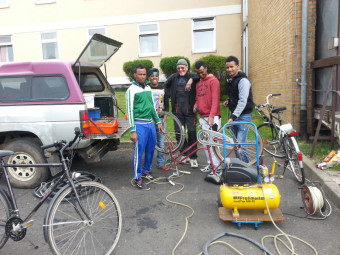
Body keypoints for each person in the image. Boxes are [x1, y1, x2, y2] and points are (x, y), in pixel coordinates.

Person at [126, 64, 163, 190]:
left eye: (144, 74)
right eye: (140, 74)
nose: (142, 76)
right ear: (135, 75)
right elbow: (130, 111)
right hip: (139, 125)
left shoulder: (147, 87)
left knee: (151, 149)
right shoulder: (131, 90)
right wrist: (132, 131)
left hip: (150, 124)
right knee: (139, 152)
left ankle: (146, 172)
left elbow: (152, 107)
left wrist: (157, 122)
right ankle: (138, 178)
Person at [164, 59, 198, 168]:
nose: (180, 69)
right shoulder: (174, 77)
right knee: (179, 133)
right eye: (178, 68)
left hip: (190, 110)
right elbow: (165, 85)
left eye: (182, 67)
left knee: (192, 132)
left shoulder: (192, 75)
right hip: (177, 110)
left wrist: (190, 80)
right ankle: (184, 155)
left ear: (187, 67)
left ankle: (193, 157)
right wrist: (168, 94)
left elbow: (200, 76)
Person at [223, 56, 255, 163]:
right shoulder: (231, 80)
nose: (229, 69)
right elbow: (235, 95)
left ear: (238, 66)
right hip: (236, 114)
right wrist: (229, 101)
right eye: (227, 68)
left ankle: (247, 169)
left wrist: (233, 117)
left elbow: (243, 101)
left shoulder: (243, 81)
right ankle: (240, 166)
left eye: (232, 67)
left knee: (240, 145)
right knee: (235, 145)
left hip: (243, 115)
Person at [192, 61, 221, 176]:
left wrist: (212, 116)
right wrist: (195, 106)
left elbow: (215, 99)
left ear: (206, 69)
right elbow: (197, 98)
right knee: (205, 144)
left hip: (211, 118)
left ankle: (218, 167)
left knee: (213, 144)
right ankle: (210, 164)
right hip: (202, 117)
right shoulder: (198, 83)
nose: (200, 75)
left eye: (202, 72)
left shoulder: (213, 81)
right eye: (198, 73)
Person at [148, 67, 170, 172]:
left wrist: (164, 120)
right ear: (149, 78)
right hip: (149, 120)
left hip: (161, 120)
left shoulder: (163, 89)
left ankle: (160, 163)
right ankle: (148, 166)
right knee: (150, 143)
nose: (154, 78)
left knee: (161, 143)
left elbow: (167, 107)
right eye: (152, 76)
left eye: (156, 76)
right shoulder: (146, 89)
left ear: (158, 77)